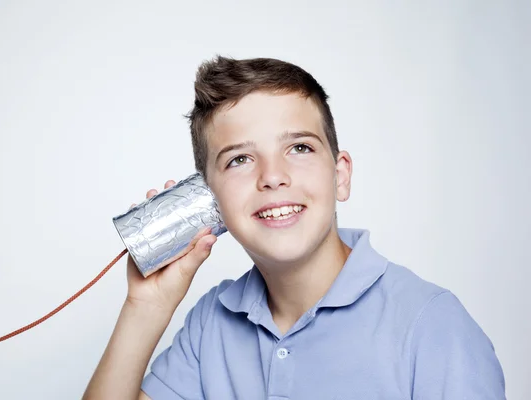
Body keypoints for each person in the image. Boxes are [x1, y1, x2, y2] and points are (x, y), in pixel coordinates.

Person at [83, 56, 506, 400]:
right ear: (210, 199)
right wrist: (146, 307)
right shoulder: (211, 324)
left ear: (339, 176)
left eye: (299, 148)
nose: (273, 176)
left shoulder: (431, 325)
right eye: (239, 159)